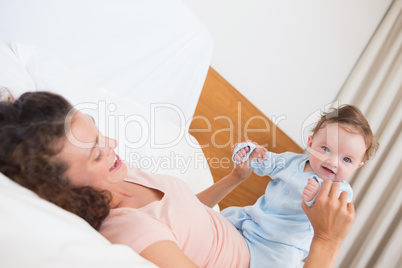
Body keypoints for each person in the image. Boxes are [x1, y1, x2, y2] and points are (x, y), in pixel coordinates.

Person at [0, 90, 356, 268]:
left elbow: (187, 214)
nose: (112, 144)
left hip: (241, 231)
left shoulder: (120, 174)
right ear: (60, 188)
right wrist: (326, 240)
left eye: (99, 134)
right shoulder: (128, 227)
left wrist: (234, 177)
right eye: (95, 151)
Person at [223, 105, 379, 267]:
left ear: (357, 166)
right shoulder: (291, 161)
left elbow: (332, 214)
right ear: (311, 143)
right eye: (326, 149)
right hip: (251, 219)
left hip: (281, 245)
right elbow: (264, 162)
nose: (332, 162)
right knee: (222, 217)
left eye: (346, 160)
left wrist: (318, 196)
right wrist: (249, 153)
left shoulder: (339, 190)